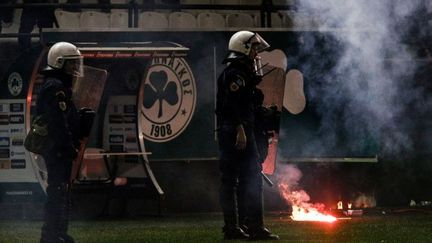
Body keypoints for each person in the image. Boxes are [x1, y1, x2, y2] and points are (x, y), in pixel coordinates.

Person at [215, 30, 279, 240]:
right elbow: (232, 106)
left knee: (250, 179)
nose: (256, 53)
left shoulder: (242, 74)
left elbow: (246, 105)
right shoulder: (235, 74)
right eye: (253, 48)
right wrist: (241, 130)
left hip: (241, 131)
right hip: (234, 132)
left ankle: (252, 226)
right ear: (242, 48)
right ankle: (234, 227)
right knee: (232, 180)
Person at [37, 42, 84, 243]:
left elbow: (66, 117)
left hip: (60, 149)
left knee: (62, 192)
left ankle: (59, 233)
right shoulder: (54, 87)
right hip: (57, 150)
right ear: (59, 63)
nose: (75, 69)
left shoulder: (58, 86)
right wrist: (68, 146)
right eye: (71, 64)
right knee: (57, 192)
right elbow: (58, 122)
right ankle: (51, 234)